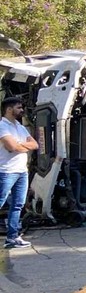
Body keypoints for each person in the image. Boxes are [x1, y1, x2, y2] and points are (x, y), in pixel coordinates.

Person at [0, 97, 38, 248]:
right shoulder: (2, 126)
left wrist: (19, 145)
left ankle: (12, 237)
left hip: (22, 172)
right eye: (19, 108)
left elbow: (35, 144)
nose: (22, 110)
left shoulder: (19, 127)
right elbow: (12, 148)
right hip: (6, 172)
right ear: (9, 109)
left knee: (17, 205)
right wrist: (21, 146)